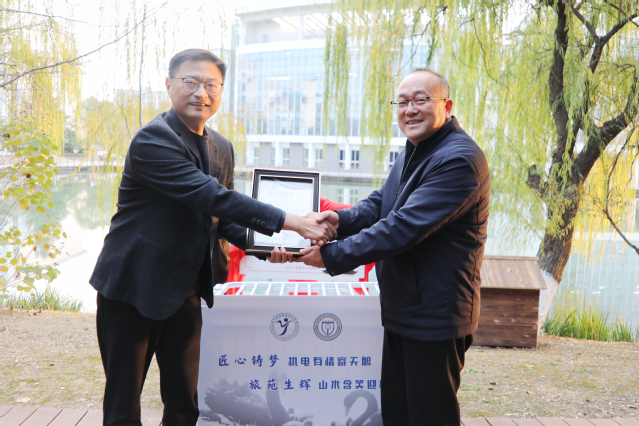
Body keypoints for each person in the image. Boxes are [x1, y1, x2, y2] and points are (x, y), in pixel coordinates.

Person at [89, 49, 335, 426]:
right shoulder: (153, 140)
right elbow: (212, 197)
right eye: (190, 82)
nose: (200, 93)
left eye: (211, 85)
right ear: (169, 84)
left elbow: (220, 219)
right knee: (124, 406)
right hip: (133, 287)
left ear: (221, 91)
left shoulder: (221, 146)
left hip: (187, 290)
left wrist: (269, 248)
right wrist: (294, 222)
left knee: (186, 403)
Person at [296, 68, 491, 425]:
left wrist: (330, 255)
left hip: (434, 315)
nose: (410, 110)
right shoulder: (416, 149)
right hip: (405, 308)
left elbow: (402, 228)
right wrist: (340, 220)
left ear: (447, 106)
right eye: (402, 103)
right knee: (399, 413)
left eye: (421, 100)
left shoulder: (458, 159)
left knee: (430, 417)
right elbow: (382, 203)